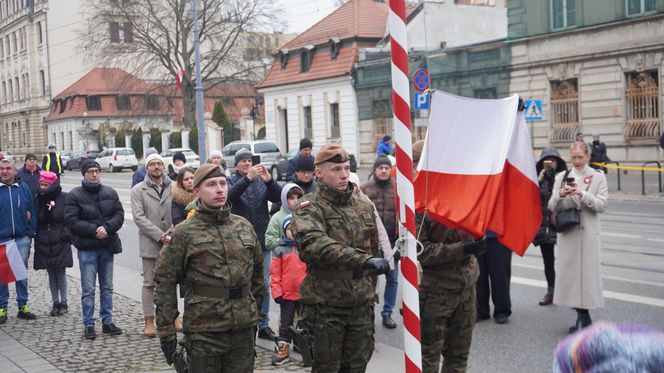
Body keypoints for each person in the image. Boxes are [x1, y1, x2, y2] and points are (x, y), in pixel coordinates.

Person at [154, 164, 264, 372]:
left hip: (242, 328)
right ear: (196, 191)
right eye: (211, 185)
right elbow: (165, 281)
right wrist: (167, 331)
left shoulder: (243, 226)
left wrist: (255, 315)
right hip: (205, 330)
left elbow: (258, 274)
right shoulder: (183, 233)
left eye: (223, 183)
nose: (220, 189)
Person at [290, 143, 389, 372]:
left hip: (360, 305)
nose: (344, 174)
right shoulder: (309, 207)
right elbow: (315, 245)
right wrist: (362, 260)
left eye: (346, 168)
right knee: (327, 368)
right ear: (319, 173)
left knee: (357, 366)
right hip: (327, 307)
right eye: (336, 169)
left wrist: (367, 283)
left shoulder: (363, 205)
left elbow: (373, 247)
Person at [548, 141, 608, 334]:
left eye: (580, 157)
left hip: (589, 235)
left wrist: (582, 195)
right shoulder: (562, 177)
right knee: (571, 279)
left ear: (588, 157)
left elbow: (601, 205)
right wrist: (560, 194)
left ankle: (584, 318)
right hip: (569, 235)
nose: (577, 161)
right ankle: (583, 318)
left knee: (587, 278)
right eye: (573, 157)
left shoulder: (598, 177)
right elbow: (551, 206)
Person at [417, 212, 485, 372]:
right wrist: (463, 248)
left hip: (466, 288)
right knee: (428, 356)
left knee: (458, 356)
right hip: (435, 292)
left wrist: (479, 240)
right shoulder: (420, 204)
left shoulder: (468, 201)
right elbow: (422, 251)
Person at [64, 159, 124, 340]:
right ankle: (89, 324)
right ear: (84, 173)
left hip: (106, 247)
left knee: (107, 288)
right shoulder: (74, 195)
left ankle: (107, 321)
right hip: (87, 248)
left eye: (97, 171)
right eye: (90, 171)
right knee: (88, 289)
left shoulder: (110, 192)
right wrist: (94, 230)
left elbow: (119, 215)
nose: (94, 174)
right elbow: (71, 220)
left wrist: (107, 228)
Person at [228, 147, 282, 341]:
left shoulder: (260, 181)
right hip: (239, 243)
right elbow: (229, 197)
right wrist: (247, 179)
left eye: (250, 161)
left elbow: (278, 198)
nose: (247, 164)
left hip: (261, 239)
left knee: (264, 284)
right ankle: (246, 323)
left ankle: (263, 324)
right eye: (243, 161)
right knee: (243, 283)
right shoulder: (232, 181)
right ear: (236, 165)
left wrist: (269, 180)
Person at [130, 153, 176, 337]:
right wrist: (160, 236)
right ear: (147, 168)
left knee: (172, 283)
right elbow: (139, 218)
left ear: (164, 167)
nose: (157, 167)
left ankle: (174, 318)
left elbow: (180, 212)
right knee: (149, 284)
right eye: (152, 164)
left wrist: (171, 233)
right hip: (150, 243)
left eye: (159, 164)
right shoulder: (138, 190)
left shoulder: (174, 187)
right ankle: (149, 321)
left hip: (173, 242)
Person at [361, 155, 399, 329]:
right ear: (374, 170)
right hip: (371, 244)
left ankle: (387, 312)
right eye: (380, 168)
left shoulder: (399, 188)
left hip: (393, 242)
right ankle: (368, 313)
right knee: (370, 280)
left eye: (386, 168)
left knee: (392, 279)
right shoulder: (365, 189)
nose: (384, 171)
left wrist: (399, 242)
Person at [0, 158, 38, 324]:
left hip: (21, 238)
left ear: (15, 170)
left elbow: (32, 211)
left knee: (21, 274)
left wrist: (29, 233)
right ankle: (2, 307)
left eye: (8, 168)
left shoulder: (23, 188)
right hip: (2, 239)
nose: (5, 171)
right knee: (2, 276)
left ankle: (23, 306)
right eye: (1, 169)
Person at [34, 171, 72, 317]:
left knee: (60, 272)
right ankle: (55, 302)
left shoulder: (63, 197)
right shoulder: (38, 199)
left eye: (45, 185)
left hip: (60, 240)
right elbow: (36, 218)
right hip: (44, 240)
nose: (43, 187)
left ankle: (64, 302)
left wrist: (66, 234)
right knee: (50, 272)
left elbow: (69, 217)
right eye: (41, 184)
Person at [270, 215, 307, 366]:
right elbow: (275, 273)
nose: (294, 231)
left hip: (305, 295)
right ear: (284, 231)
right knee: (285, 325)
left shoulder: (306, 248)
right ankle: (283, 349)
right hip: (286, 296)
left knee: (306, 324)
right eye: (290, 229)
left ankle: (306, 351)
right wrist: (277, 292)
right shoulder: (280, 249)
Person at [533, 146, 567, 306]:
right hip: (544, 227)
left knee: (565, 261)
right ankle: (551, 292)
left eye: (553, 160)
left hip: (561, 225)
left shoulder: (564, 177)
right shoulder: (536, 178)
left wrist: (555, 179)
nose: (550, 163)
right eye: (548, 160)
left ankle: (566, 293)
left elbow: (565, 199)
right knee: (548, 262)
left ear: (558, 163)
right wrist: (539, 181)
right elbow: (529, 198)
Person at [475, 231, 513, 324]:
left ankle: (502, 309)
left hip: (499, 234)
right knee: (478, 274)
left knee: (499, 274)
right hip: (477, 232)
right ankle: (481, 309)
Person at [266, 183, 304, 251]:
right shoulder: (277, 218)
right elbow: (269, 242)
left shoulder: (306, 215)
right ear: (285, 199)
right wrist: (284, 241)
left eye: (299, 198)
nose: (296, 201)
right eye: (292, 198)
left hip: (303, 259)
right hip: (285, 258)